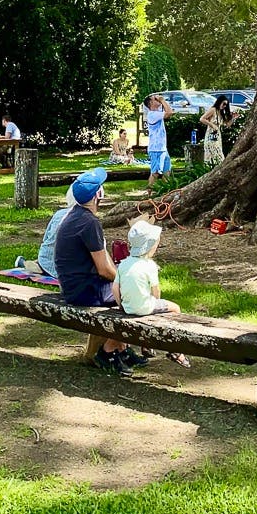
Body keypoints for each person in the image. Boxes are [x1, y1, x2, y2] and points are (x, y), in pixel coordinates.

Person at [51, 168, 138, 374]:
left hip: (73, 286)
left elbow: (103, 257)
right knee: (132, 297)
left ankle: (120, 347)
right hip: (83, 290)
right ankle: (108, 350)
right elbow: (104, 269)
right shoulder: (89, 223)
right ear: (98, 195)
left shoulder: (75, 216)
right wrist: (126, 281)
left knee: (124, 291)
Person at [116, 219, 195, 368]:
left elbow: (115, 289)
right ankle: (175, 350)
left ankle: (146, 345)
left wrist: (122, 305)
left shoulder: (124, 263)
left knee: (151, 310)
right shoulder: (150, 265)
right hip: (145, 306)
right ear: (150, 246)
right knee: (175, 308)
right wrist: (155, 301)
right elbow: (156, 290)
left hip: (127, 307)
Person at [141, 94, 170, 176]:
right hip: (156, 149)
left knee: (166, 172)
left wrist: (161, 101)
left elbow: (168, 111)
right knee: (155, 173)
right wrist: (162, 100)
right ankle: (149, 188)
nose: (157, 100)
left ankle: (166, 188)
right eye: (155, 99)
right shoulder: (152, 114)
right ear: (150, 103)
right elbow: (169, 112)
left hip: (162, 148)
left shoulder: (157, 113)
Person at [201, 96, 230, 166]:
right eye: (223, 104)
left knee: (218, 154)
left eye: (226, 105)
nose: (224, 106)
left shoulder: (221, 113)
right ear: (219, 102)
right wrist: (212, 125)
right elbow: (202, 119)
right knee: (216, 154)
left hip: (217, 136)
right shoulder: (213, 110)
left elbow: (227, 125)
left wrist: (233, 118)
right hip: (211, 134)